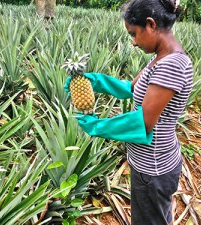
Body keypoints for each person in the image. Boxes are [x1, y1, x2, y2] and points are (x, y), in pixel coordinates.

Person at [64, 0, 193, 224]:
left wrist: (97, 126)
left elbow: (143, 123)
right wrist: (94, 82)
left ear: (151, 24)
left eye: (134, 33)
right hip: (150, 164)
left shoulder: (171, 64)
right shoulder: (160, 57)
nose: (133, 42)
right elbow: (130, 88)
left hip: (153, 169)